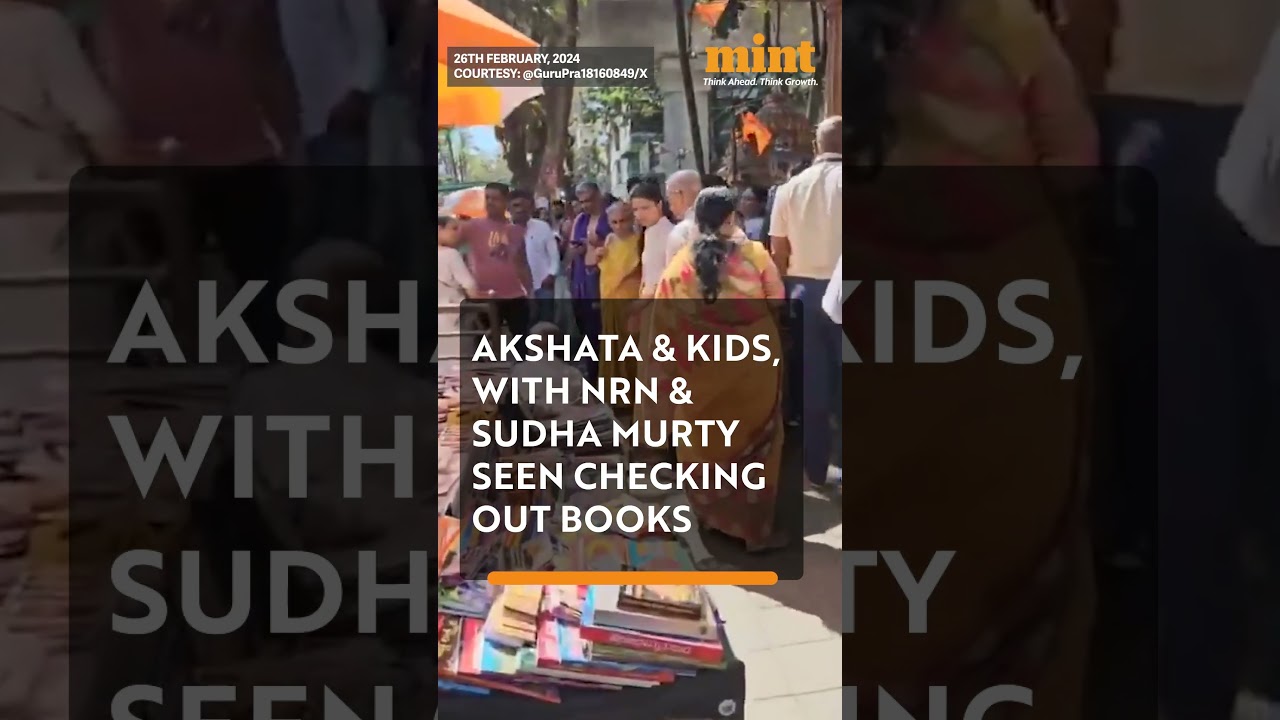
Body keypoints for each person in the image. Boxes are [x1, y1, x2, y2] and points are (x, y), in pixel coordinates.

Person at [839, 0, 1096, 718]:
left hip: (876, 316)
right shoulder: (1001, 20)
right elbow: (1074, 161)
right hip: (1005, 311)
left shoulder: (838, 30)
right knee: (1008, 587)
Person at [95, 0, 297, 345]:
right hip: (181, 154)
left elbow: (267, 63)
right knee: (254, 280)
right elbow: (267, 63)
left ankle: (261, 373)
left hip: (218, 152)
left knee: (257, 281)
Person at [651, 187, 786, 551]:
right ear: (732, 219)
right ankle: (754, 531)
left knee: (702, 442)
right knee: (757, 443)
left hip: (698, 372)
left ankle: (710, 518)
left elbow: (662, 321)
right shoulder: (755, 255)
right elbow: (777, 300)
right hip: (752, 368)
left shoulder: (679, 264)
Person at [769, 116, 844, 488]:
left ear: (817, 145)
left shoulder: (789, 189)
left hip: (802, 291)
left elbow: (778, 250)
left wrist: (783, 294)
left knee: (813, 383)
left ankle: (816, 470)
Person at [460, 183, 532, 335]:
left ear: (506, 201)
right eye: (487, 198)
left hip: (515, 295)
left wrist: (530, 292)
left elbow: (522, 263)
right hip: (486, 295)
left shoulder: (516, 230)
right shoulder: (472, 226)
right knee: (484, 346)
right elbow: (448, 243)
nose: (490, 202)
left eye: (495, 198)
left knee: (521, 343)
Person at [594, 202, 643, 393]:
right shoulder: (610, 240)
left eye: (623, 221)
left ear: (631, 219)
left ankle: (635, 393)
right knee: (613, 346)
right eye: (614, 222)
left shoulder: (641, 240)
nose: (619, 226)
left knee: (633, 349)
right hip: (610, 299)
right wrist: (599, 256)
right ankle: (615, 393)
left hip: (632, 302)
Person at [437, 216, 491, 364]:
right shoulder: (450, 255)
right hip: (454, 317)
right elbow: (470, 288)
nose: (457, 233)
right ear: (439, 230)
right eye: (453, 229)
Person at [568, 181, 609, 362]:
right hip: (582, 280)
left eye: (589, 200)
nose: (585, 205)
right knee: (585, 328)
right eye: (582, 201)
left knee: (600, 330)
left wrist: (598, 244)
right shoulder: (580, 220)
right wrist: (578, 249)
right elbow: (572, 246)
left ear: (599, 195)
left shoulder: (612, 216)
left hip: (604, 279)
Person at [510, 188, 560, 324]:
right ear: (509, 208)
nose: (520, 209)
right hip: (518, 290)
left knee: (546, 324)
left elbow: (553, 255)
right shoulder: (505, 232)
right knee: (523, 326)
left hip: (543, 285)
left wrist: (551, 274)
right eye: (515, 206)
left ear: (531, 207)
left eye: (524, 206)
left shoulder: (542, 227)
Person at [631, 181, 677, 296]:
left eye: (645, 208)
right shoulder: (649, 232)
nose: (639, 215)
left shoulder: (670, 233)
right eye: (635, 210)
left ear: (659, 205)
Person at [662, 169, 704, 268]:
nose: (669, 202)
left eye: (669, 196)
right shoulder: (723, 224)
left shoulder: (681, 231)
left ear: (680, 194)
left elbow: (673, 277)